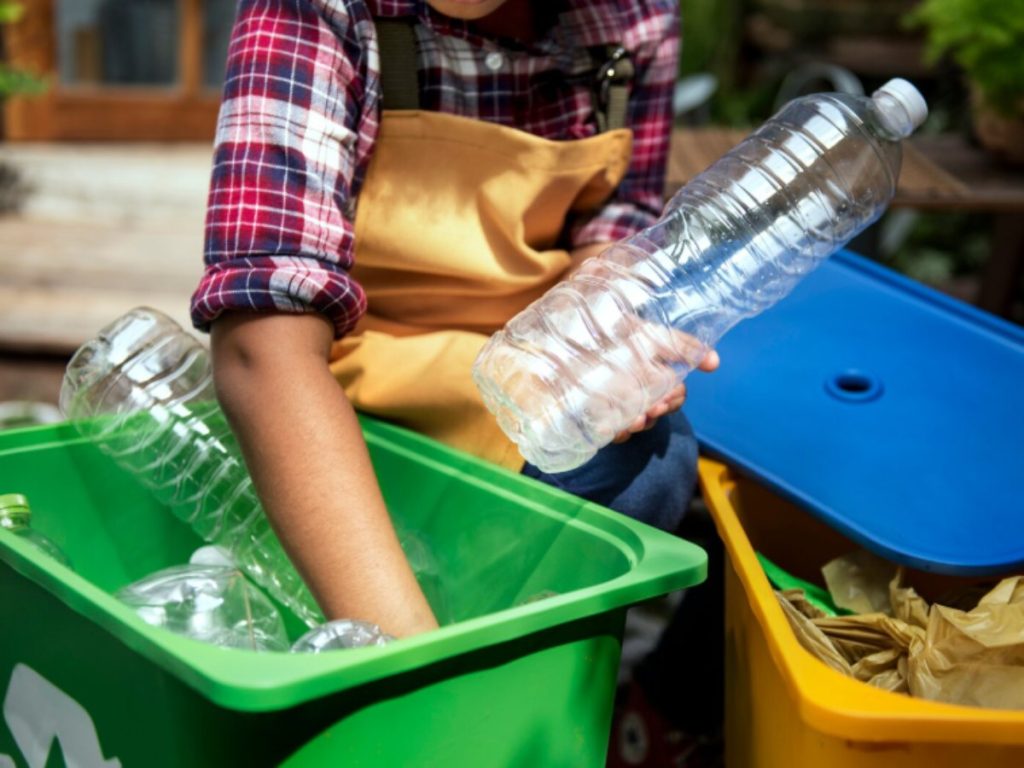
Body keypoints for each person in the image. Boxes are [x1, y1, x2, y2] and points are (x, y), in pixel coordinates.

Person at [192, 0, 717, 661]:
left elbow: (612, 228)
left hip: (518, 376)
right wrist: (409, 663)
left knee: (651, 460)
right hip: (346, 389)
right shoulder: (318, 11)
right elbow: (261, 350)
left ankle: (508, 658)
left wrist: (601, 338)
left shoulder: (632, 18)